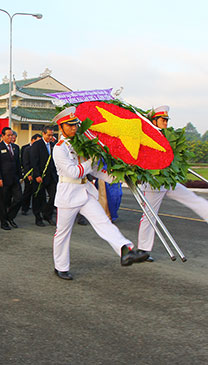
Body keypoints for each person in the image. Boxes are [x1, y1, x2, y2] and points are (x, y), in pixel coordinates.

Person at [51, 107, 148, 280]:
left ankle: (125, 249)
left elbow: (94, 170)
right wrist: (91, 161)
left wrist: (117, 177)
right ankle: (61, 266)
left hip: (85, 191)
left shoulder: (80, 143)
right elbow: (74, 172)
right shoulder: (59, 149)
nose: (74, 128)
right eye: (69, 125)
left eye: (75, 125)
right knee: (63, 233)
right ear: (61, 127)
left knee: (103, 222)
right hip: (68, 194)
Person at [136, 106, 208, 261]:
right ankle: (142, 250)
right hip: (153, 184)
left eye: (166, 120)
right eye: (163, 120)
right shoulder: (147, 136)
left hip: (168, 180)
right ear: (154, 121)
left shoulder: (168, 137)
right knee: (149, 216)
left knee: (191, 197)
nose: (166, 123)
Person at [0, 127, 22, 230]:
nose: (11, 137)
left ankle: (10, 216)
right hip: (3, 179)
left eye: (12, 135)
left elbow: (18, 162)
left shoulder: (15, 147)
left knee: (19, 198)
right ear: (3, 136)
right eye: (8, 135)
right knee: (3, 202)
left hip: (14, 178)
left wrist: (20, 176)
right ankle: (3, 221)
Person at [30, 126, 58, 227]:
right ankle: (38, 217)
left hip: (51, 176)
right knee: (38, 198)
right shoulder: (37, 145)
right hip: (40, 176)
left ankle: (47, 215)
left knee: (53, 196)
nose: (50, 137)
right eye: (49, 135)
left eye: (52, 135)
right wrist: (37, 175)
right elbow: (34, 161)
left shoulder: (54, 145)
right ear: (43, 134)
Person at [20, 134, 41, 215]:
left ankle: (37, 209)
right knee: (27, 191)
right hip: (29, 173)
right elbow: (25, 163)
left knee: (37, 192)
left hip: (37, 173)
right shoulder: (27, 149)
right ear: (33, 140)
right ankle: (24, 208)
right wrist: (28, 174)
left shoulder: (39, 149)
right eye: (37, 141)